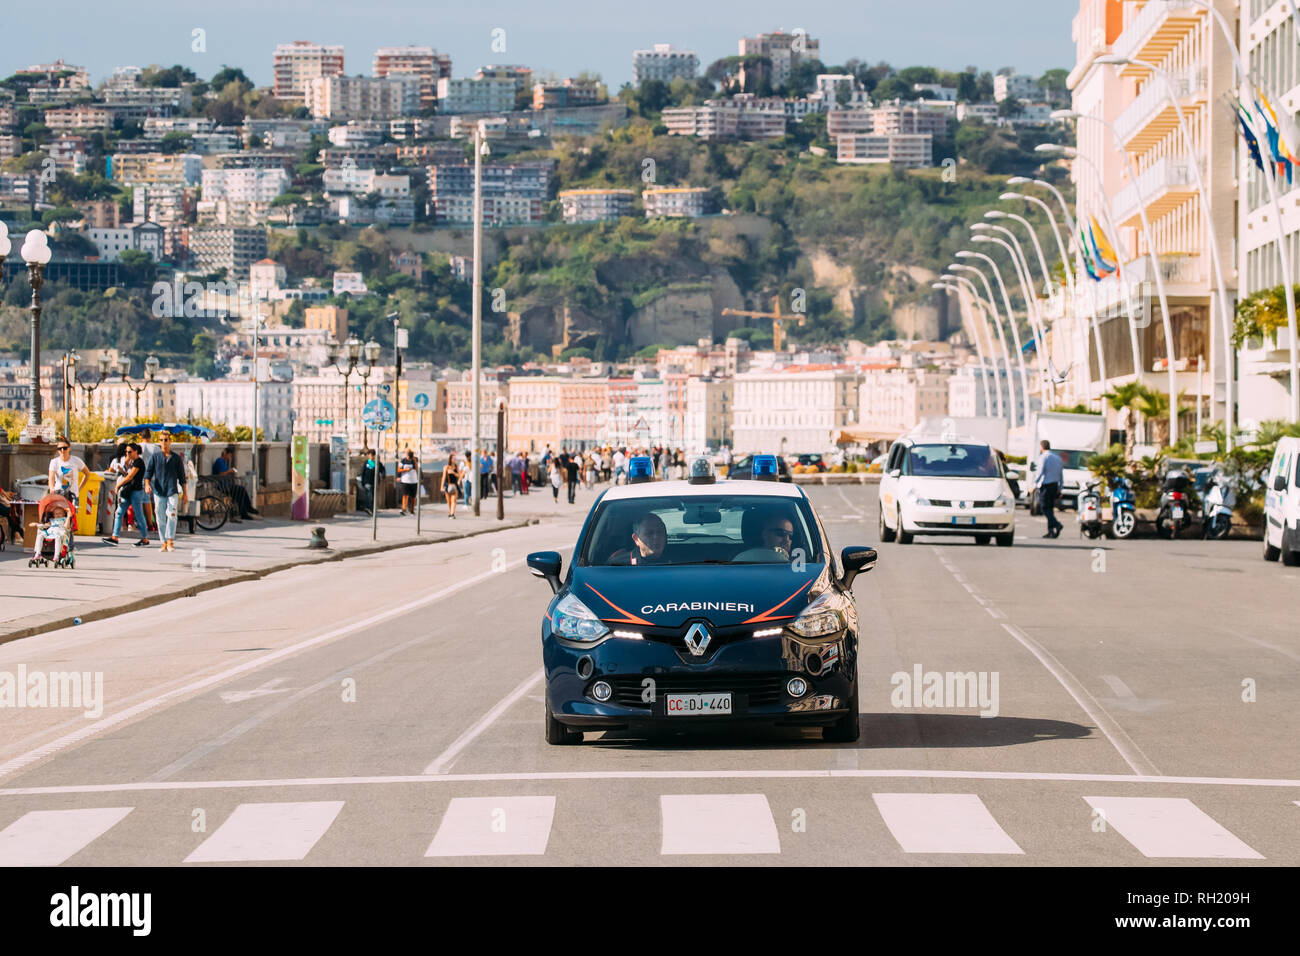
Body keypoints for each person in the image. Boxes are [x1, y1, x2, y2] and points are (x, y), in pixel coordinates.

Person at [143, 431, 187, 553]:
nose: (163, 442)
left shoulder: (176, 458)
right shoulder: (155, 457)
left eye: (166, 440)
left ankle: (170, 540)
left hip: (172, 490)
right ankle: (163, 541)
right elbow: (148, 473)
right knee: (160, 517)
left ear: (170, 441)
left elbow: (182, 477)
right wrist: (147, 485)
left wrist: (185, 494)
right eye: (161, 440)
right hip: (158, 491)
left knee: (172, 514)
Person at [103, 442, 150, 546]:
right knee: (119, 512)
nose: (127, 454)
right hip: (129, 491)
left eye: (129, 452)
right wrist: (125, 466)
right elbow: (127, 474)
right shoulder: (133, 462)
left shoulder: (138, 462)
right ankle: (115, 537)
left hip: (136, 492)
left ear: (136, 452)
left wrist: (118, 485)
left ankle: (145, 538)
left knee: (139, 514)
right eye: (126, 452)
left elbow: (130, 477)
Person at [48, 437, 92, 507]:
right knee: (59, 515)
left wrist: (79, 488)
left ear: (69, 448)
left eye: (64, 448)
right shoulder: (54, 462)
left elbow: (87, 474)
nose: (62, 450)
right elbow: (51, 477)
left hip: (73, 494)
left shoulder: (76, 460)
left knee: (72, 516)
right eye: (59, 449)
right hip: (59, 493)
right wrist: (52, 488)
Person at [1034, 439, 1065, 539]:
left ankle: (1056, 524)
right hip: (1055, 485)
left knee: (1043, 507)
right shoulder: (1057, 458)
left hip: (1046, 485)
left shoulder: (1043, 457)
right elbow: (1061, 475)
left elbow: (1040, 472)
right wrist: (1060, 488)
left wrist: (1034, 485)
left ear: (1042, 447)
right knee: (1050, 508)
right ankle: (1051, 531)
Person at [397, 447, 419, 515]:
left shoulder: (414, 460)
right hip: (405, 480)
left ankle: (412, 510)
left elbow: (416, 468)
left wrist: (414, 460)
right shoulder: (403, 460)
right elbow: (399, 469)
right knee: (405, 495)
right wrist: (405, 470)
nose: (408, 455)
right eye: (407, 453)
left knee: (413, 497)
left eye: (409, 453)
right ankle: (404, 509)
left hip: (413, 481)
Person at [441, 454, 461, 518]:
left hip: (454, 485)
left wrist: (453, 473)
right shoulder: (446, 467)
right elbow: (443, 477)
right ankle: (450, 512)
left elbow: (459, 476)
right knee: (449, 501)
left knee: (454, 500)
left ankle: (452, 514)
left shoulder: (456, 467)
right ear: (450, 459)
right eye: (454, 459)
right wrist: (441, 487)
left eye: (455, 459)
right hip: (447, 485)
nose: (455, 460)